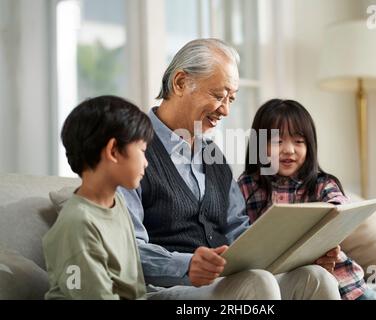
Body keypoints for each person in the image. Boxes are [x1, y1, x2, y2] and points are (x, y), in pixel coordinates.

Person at [120, 38, 342, 299]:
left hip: (222, 283)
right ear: (180, 83)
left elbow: (238, 231)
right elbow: (127, 247)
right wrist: (187, 265)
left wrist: (298, 255)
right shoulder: (132, 149)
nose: (225, 110)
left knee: (315, 278)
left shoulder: (213, 155)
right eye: (218, 95)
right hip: (164, 290)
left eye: (231, 99)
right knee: (257, 283)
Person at [237, 99, 376, 300]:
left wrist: (332, 217)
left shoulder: (321, 183)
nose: (289, 150)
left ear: (309, 145)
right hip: (286, 286)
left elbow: (340, 206)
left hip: (345, 283)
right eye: (278, 141)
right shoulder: (247, 186)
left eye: (298, 141)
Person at [43, 95, 153, 299]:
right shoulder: (78, 224)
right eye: (142, 150)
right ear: (113, 151)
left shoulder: (117, 201)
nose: (146, 162)